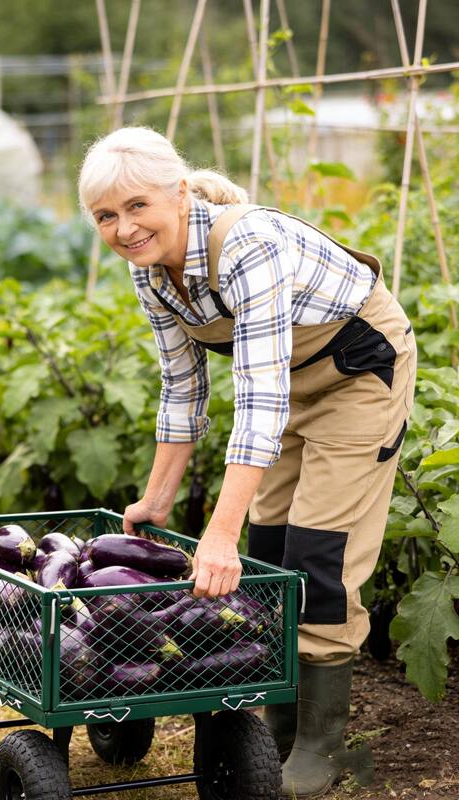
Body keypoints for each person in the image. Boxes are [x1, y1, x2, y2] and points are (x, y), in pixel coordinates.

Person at [78, 127, 415, 797]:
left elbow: (259, 399)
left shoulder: (247, 244)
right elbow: (184, 390)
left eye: (137, 206)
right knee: (268, 551)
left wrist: (218, 531)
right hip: (291, 386)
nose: (124, 228)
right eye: (106, 216)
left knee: (319, 551)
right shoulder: (151, 273)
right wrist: (156, 498)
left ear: (177, 193)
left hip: (357, 374)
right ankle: (282, 737)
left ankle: (319, 749)